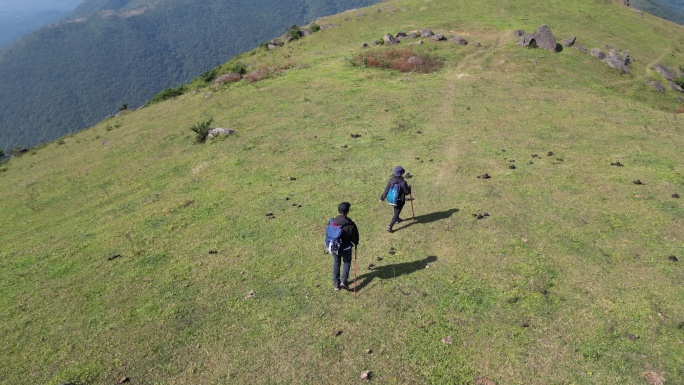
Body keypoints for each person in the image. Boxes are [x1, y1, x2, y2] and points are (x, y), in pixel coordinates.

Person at [331, 202, 359, 291]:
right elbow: (355, 236)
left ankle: (336, 283)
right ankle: (344, 280)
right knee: (347, 261)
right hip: (346, 247)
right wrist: (356, 243)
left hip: (335, 247)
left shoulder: (332, 221)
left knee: (336, 262)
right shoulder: (350, 224)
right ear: (348, 211)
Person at [379, 166, 412, 233]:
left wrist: (382, 198)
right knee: (397, 213)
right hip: (400, 201)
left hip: (392, 199)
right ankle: (390, 226)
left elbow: (386, 190)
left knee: (396, 209)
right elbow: (407, 192)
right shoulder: (403, 182)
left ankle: (397, 219)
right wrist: (409, 188)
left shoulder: (391, 180)